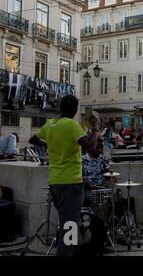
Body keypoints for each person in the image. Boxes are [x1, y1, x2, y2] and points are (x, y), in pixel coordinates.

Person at [29, 95, 100, 256]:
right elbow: (89, 146)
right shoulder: (71, 125)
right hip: (71, 183)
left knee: (65, 224)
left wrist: (49, 144)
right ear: (75, 109)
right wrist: (95, 128)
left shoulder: (50, 124)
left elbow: (33, 139)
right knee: (69, 228)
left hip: (55, 183)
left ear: (60, 107)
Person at [82, 138, 111, 207]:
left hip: (101, 187)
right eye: (97, 148)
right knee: (87, 198)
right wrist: (87, 183)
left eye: (101, 148)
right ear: (90, 148)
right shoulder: (82, 160)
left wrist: (111, 176)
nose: (100, 150)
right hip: (87, 188)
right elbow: (80, 177)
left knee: (112, 198)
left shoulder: (104, 159)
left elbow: (107, 175)